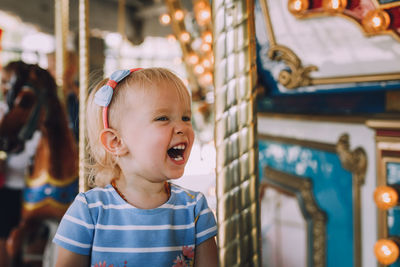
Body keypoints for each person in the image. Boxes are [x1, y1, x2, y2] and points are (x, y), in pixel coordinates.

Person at [53, 67, 218, 266]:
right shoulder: (88, 212)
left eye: (186, 118)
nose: (183, 127)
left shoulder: (194, 210)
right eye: (163, 118)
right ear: (116, 142)